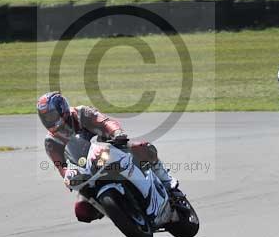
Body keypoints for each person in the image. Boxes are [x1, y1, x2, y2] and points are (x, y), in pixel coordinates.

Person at [37, 92, 182, 223]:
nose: (49, 120)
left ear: (62, 109)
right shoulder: (51, 142)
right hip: (86, 169)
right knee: (82, 211)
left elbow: (106, 122)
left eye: (51, 115)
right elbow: (61, 166)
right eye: (45, 118)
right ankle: (120, 211)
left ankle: (168, 183)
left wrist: (116, 133)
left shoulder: (82, 113)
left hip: (110, 148)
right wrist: (67, 176)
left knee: (142, 147)